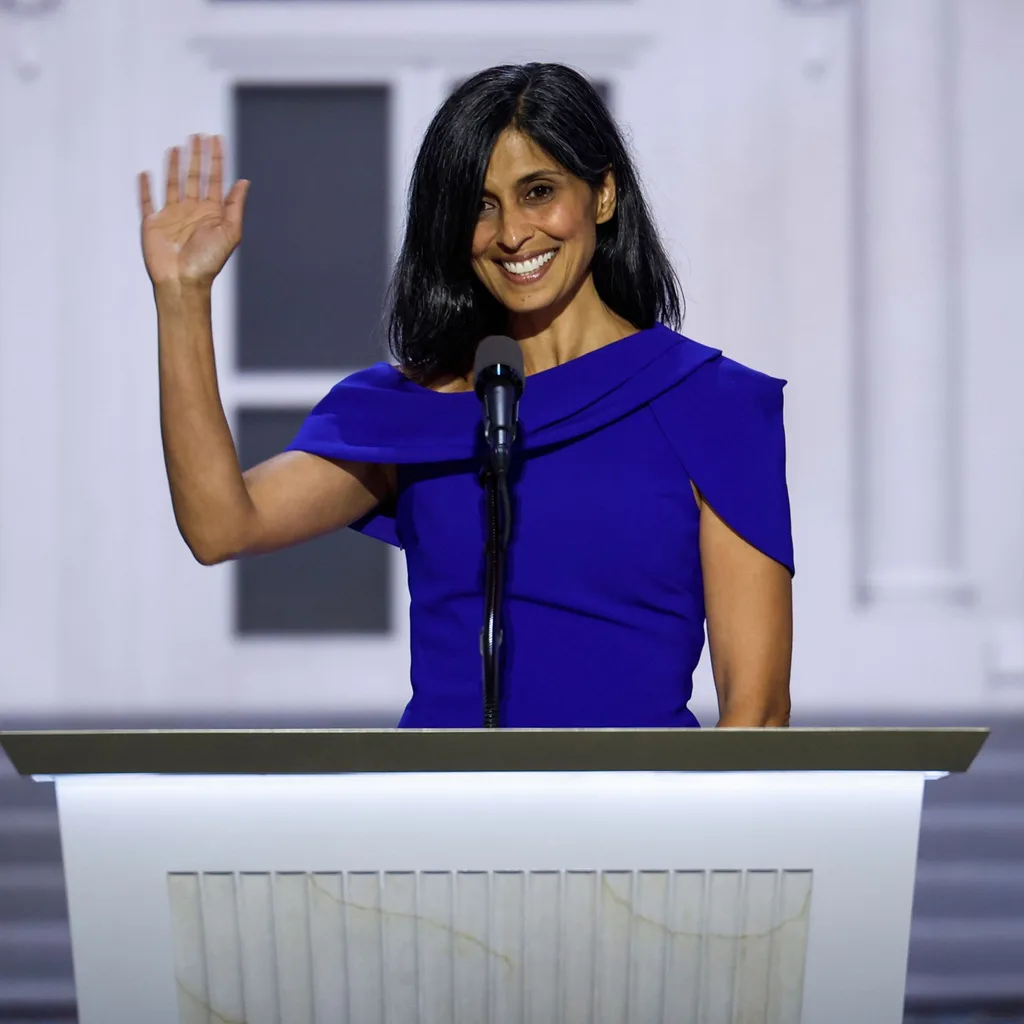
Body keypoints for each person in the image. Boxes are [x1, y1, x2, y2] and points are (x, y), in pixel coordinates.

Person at [138, 62, 793, 730]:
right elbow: (222, 526)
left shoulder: (712, 404)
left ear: (602, 195)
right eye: (481, 206)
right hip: (434, 821)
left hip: (642, 822)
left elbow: (758, 710)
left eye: (538, 192)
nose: (512, 234)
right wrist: (183, 297)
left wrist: (683, 833)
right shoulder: (411, 409)